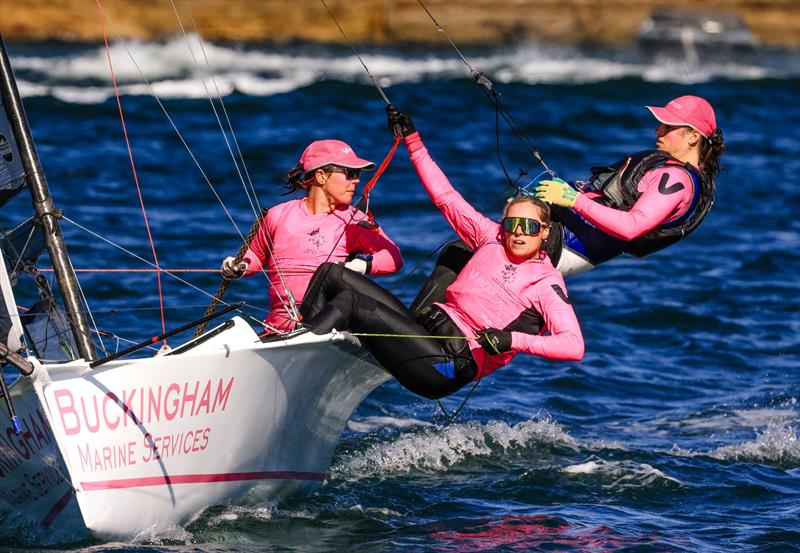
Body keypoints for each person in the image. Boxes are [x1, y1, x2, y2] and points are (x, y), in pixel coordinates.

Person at [298, 111, 583, 400]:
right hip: (423, 329)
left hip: (447, 363)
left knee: (351, 302)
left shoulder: (546, 283)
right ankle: (294, 343)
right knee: (331, 273)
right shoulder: (490, 237)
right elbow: (445, 196)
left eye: (530, 227)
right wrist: (412, 140)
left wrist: (512, 340)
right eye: (512, 224)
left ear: (545, 232)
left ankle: (299, 359)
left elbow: (573, 345)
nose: (519, 233)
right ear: (503, 225)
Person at [405, 95, 726, 312]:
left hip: (568, 246)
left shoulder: (678, 180)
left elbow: (632, 227)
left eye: (668, 127)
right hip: (564, 236)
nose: (658, 130)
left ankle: (410, 331)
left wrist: (571, 199)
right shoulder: (669, 170)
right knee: (461, 254)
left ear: (692, 137)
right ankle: (421, 328)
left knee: (463, 252)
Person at [220, 139, 403, 333]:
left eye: (357, 174)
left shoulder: (355, 221)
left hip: (329, 328)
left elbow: (393, 256)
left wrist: (360, 266)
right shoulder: (277, 215)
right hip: (279, 328)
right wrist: (240, 265)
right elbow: (257, 254)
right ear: (321, 176)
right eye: (350, 173)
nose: (356, 180)